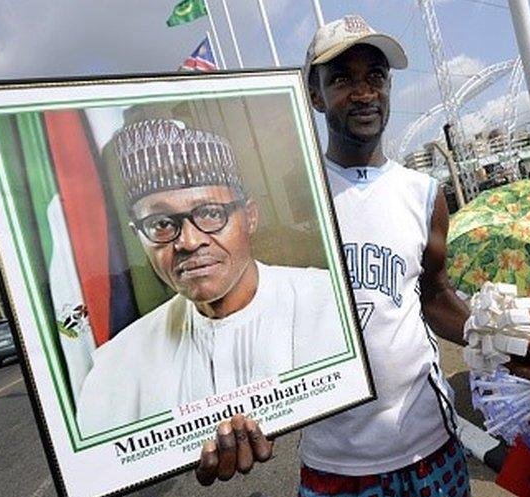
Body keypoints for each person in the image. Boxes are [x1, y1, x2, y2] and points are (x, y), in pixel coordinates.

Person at [196, 15, 503, 497]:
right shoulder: (286, 206)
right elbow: (247, 321)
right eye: (342, 79)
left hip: (430, 449)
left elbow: (433, 298)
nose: (364, 92)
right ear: (314, 97)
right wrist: (222, 415)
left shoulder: (423, 193)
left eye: (376, 76)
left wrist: (506, 337)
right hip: (337, 469)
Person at [75, 119, 347, 436]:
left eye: (211, 213)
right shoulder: (116, 368)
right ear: (139, 236)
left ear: (250, 217)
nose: (188, 242)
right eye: (161, 222)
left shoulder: (332, 304)